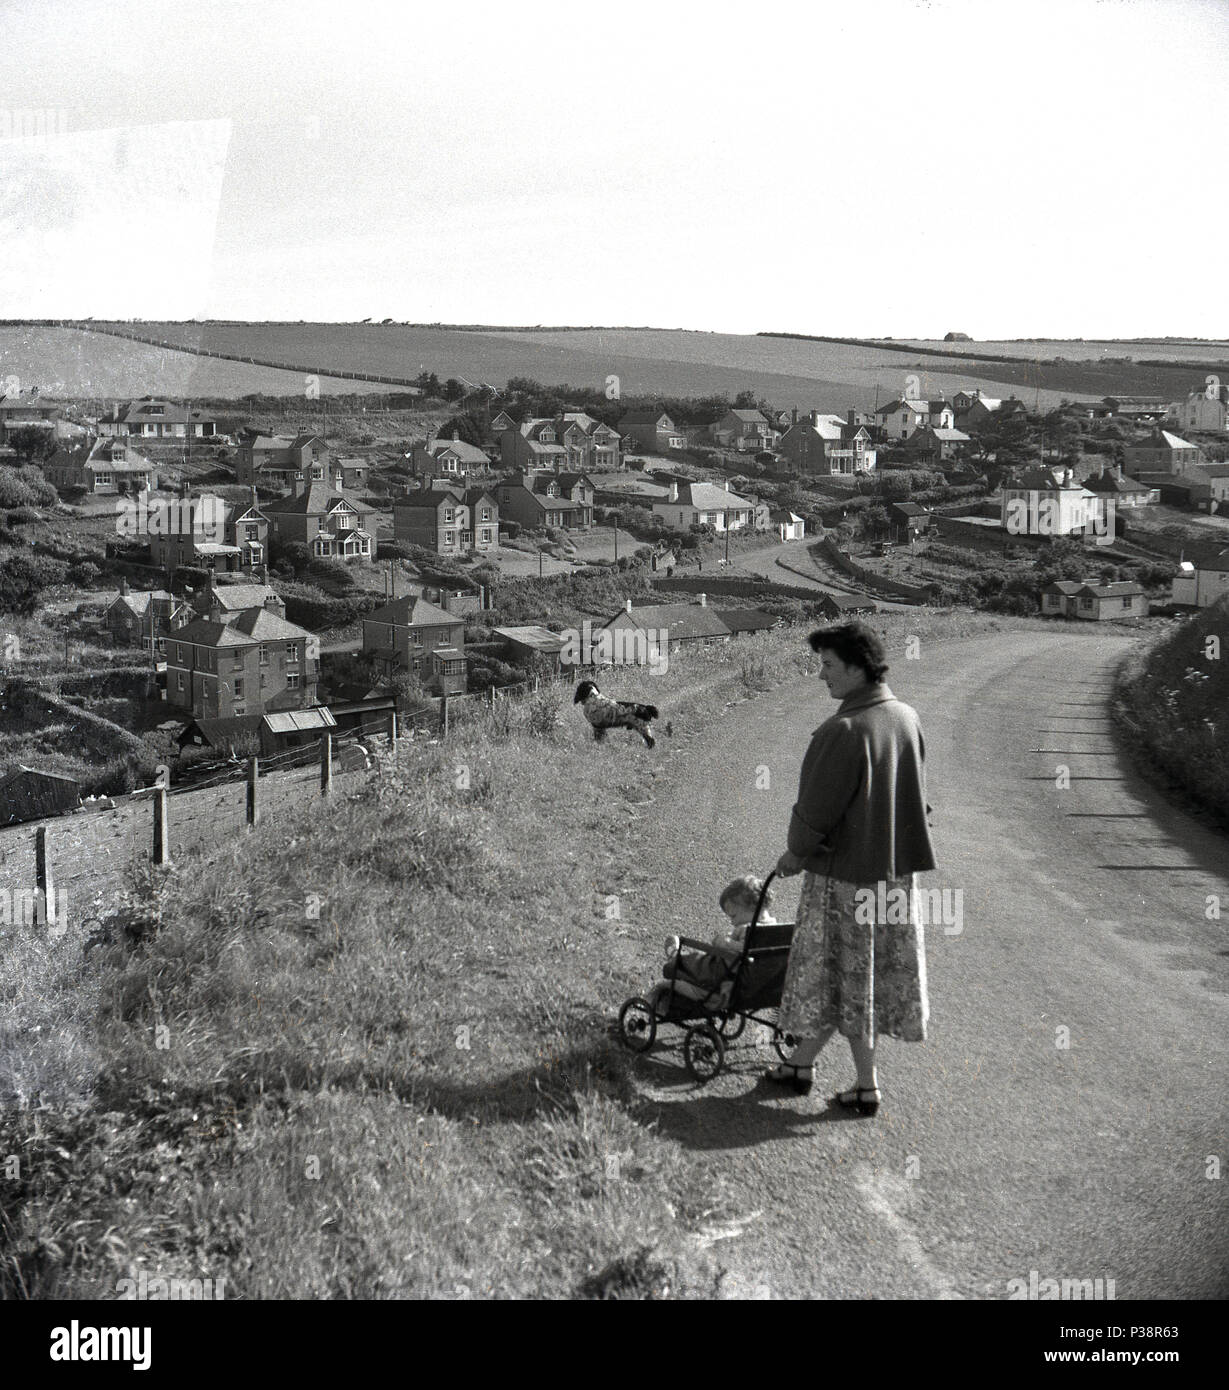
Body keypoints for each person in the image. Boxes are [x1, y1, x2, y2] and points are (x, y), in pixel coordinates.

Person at [768, 622, 936, 1115]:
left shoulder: (842, 730)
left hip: (844, 880)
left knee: (841, 978)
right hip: (895, 879)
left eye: (828, 665)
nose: (820, 675)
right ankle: (802, 1064)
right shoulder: (906, 717)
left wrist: (795, 853)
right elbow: (918, 801)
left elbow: (812, 816)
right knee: (855, 981)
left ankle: (866, 1086)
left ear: (858, 667)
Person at [649, 875, 777, 1017]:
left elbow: (742, 953)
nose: (732, 923)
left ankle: (675, 956)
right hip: (755, 989)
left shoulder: (750, 930)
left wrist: (724, 943)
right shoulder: (777, 931)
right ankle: (678, 956)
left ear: (752, 906)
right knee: (702, 959)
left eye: (733, 916)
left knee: (697, 961)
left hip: (722, 977)